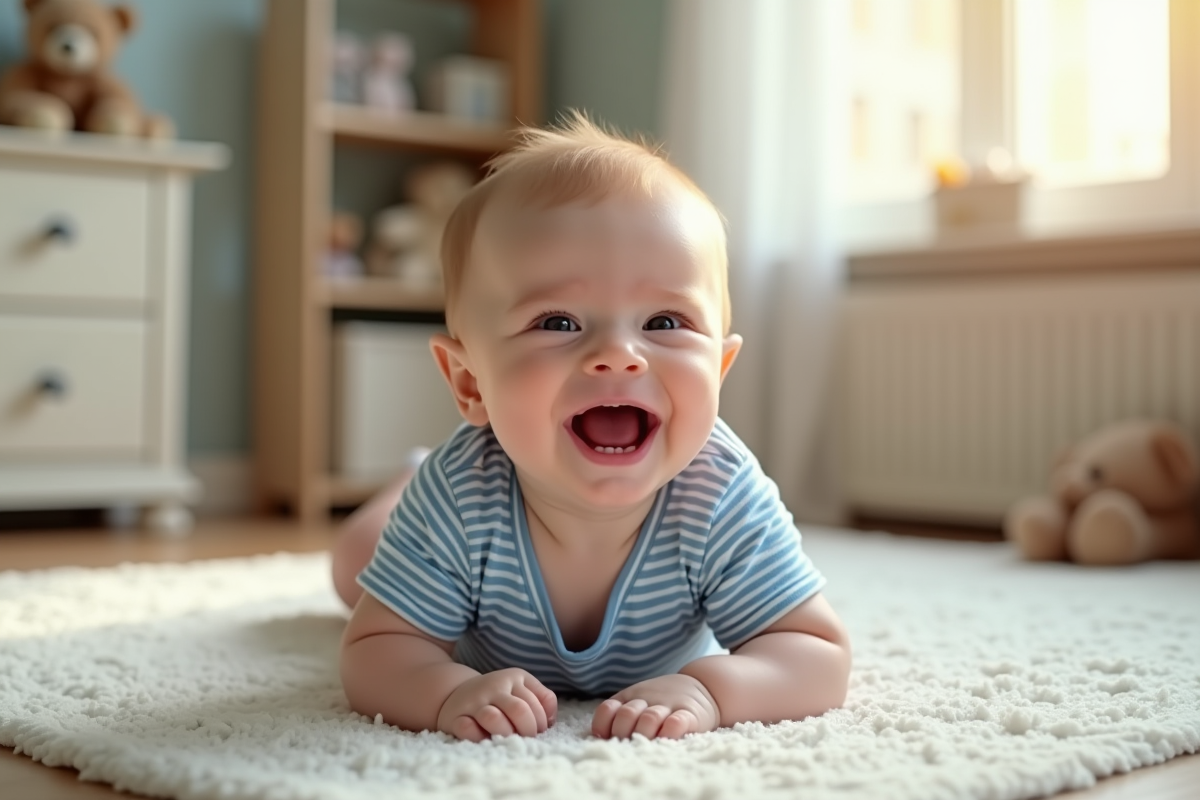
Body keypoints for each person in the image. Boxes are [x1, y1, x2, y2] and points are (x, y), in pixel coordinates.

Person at [334, 112, 851, 743]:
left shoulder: (718, 491)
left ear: (719, 369)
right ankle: (400, 486)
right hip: (444, 520)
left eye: (664, 322)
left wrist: (709, 689)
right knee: (354, 565)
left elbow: (814, 652)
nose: (619, 354)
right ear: (471, 383)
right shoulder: (458, 496)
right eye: (557, 322)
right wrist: (447, 692)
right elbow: (377, 651)